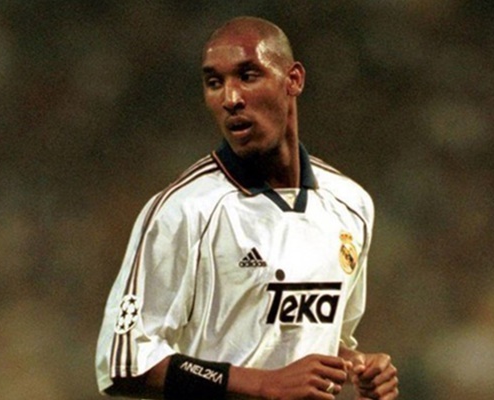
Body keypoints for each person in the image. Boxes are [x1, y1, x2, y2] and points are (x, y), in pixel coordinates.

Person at [96, 16, 399, 400]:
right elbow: (123, 363)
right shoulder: (184, 211)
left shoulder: (350, 204)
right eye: (214, 82)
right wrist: (262, 383)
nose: (230, 98)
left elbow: (310, 337)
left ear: (293, 80)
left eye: (248, 76)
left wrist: (359, 365)